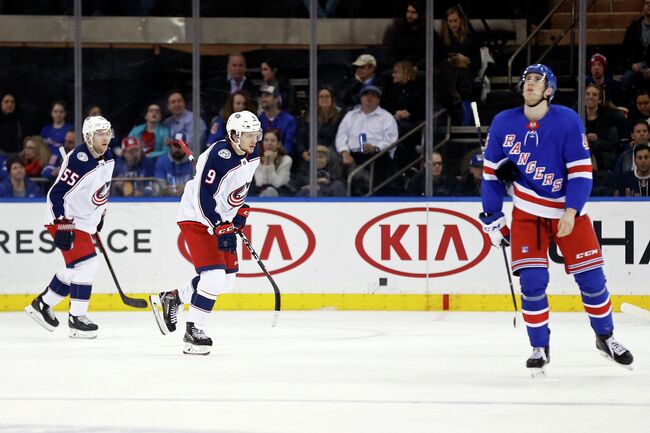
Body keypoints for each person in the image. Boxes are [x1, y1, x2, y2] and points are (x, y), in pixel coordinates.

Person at [479, 64, 633, 376]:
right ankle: (539, 347)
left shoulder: (566, 120)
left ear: (549, 89)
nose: (531, 84)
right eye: (527, 80)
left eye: (538, 80)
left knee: (592, 280)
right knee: (533, 283)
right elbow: (491, 177)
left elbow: (580, 172)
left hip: (568, 213)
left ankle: (606, 338)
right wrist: (492, 217)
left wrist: (572, 210)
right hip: (527, 214)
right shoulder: (502, 123)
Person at [150, 110, 261, 355]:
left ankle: (174, 297)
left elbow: (237, 187)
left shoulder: (254, 155)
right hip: (198, 218)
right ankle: (194, 331)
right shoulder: (217, 156)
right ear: (233, 135)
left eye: (256, 134)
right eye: (248, 135)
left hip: (221, 219)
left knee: (227, 281)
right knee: (213, 276)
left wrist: (239, 209)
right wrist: (219, 224)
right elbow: (203, 197)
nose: (254, 140)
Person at [24, 115, 115, 338]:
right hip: (66, 219)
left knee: (78, 269)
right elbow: (57, 194)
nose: (105, 137)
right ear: (88, 137)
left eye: (107, 132)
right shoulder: (79, 161)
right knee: (88, 265)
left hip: (84, 220)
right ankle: (77, 318)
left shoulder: (109, 156)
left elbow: (103, 187)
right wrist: (62, 224)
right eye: (99, 133)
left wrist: (101, 213)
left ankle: (43, 304)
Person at [259, 84, 297, 157]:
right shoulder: (258, 120)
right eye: (262, 96)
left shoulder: (288, 120)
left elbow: (288, 147)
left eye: (267, 96)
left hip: (282, 160)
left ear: (276, 99)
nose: (263, 99)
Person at [252, 129, 293, 197]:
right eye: (266, 140)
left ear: (278, 144)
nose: (269, 143)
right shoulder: (256, 160)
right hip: (260, 193)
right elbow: (260, 182)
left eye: (273, 141)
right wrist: (265, 162)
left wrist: (270, 162)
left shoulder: (286, 160)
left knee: (270, 191)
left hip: (281, 194)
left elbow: (277, 184)